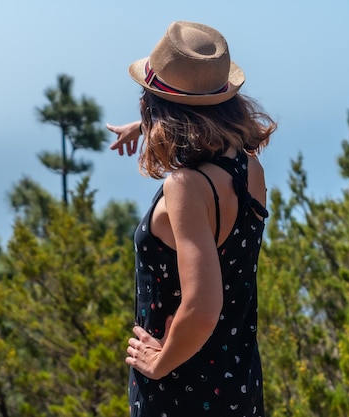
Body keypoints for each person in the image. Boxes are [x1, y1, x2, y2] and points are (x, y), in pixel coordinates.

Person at [106, 21, 277, 416]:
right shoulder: (249, 167)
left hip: (181, 388)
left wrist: (158, 363)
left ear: (158, 107)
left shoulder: (187, 187)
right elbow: (214, 133)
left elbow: (202, 307)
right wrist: (150, 125)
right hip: (237, 382)